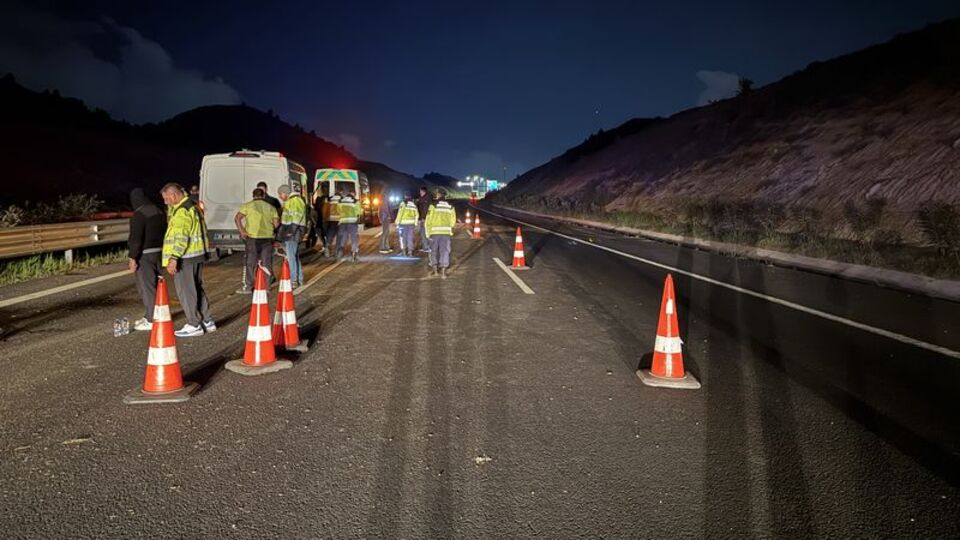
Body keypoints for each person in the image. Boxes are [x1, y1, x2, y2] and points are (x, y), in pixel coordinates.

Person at [160, 183, 215, 337]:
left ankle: (194, 323)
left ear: (174, 195)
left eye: (166, 198)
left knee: (186, 291)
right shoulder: (192, 206)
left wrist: (173, 258)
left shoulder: (182, 211)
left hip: (185, 257)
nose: (165, 202)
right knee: (196, 288)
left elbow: (181, 237)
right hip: (196, 255)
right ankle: (207, 321)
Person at [128, 188, 166, 331]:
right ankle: (153, 314)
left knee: (147, 287)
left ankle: (151, 319)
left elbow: (136, 239)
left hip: (145, 255)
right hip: (160, 253)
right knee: (156, 286)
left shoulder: (139, 214)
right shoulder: (159, 211)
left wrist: (133, 257)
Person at [235, 188, 279, 293]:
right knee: (266, 263)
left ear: (253, 195)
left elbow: (237, 218)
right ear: (263, 196)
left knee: (250, 263)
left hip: (252, 238)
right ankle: (267, 287)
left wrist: (242, 231)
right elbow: (276, 224)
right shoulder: (271, 207)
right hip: (267, 238)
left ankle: (248, 287)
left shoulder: (248, 206)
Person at [277, 184, 307, 287]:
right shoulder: (294, 201)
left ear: (285, 193)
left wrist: (290, 232)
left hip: (293, 232)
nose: (280, 197)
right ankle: (299, 278)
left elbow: (295, 218)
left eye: (280, 194)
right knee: (294, 256)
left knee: (291, 257)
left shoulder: (294, 201)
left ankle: (294, 279)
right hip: (294, 232)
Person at [425, 191, 456, 278]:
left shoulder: (433, 206)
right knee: (445, 251)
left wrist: (427, 233)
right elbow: (453, 221)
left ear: (438, 196)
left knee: (433, 251)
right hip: (446, 233)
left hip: (434, 232)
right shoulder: (451, 207)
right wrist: (449, 229)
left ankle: (435, 272)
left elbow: (428, 220)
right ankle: (443, 273)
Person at [337, 190, 361, 262]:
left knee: (343, 238)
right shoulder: (355, 202)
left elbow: (338, 211)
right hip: (352, 222)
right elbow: (359, 212)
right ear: (353, 194)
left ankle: (339, 253)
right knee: (354, 238)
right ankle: (354, 254)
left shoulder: (340, 201)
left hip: (343, 222)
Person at [322, 190, 342, 257]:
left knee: (330, 235)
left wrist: (325, 218)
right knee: (339, 236)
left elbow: (325, 210)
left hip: (331, 220)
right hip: (340, 220)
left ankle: (327, 247)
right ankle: (338, 252)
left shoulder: (329, 200)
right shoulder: (341, 200)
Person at [416, 185, 432, 253]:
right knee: (423, 233)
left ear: (423, 191)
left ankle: (426, 247)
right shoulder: (423, 198)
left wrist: (422, 218)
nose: (420, 192)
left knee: (424, 233)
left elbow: (425, 209)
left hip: (424, 218)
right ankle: (425, 246)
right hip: (423, 217)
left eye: (420, 191)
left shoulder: (426, 198)